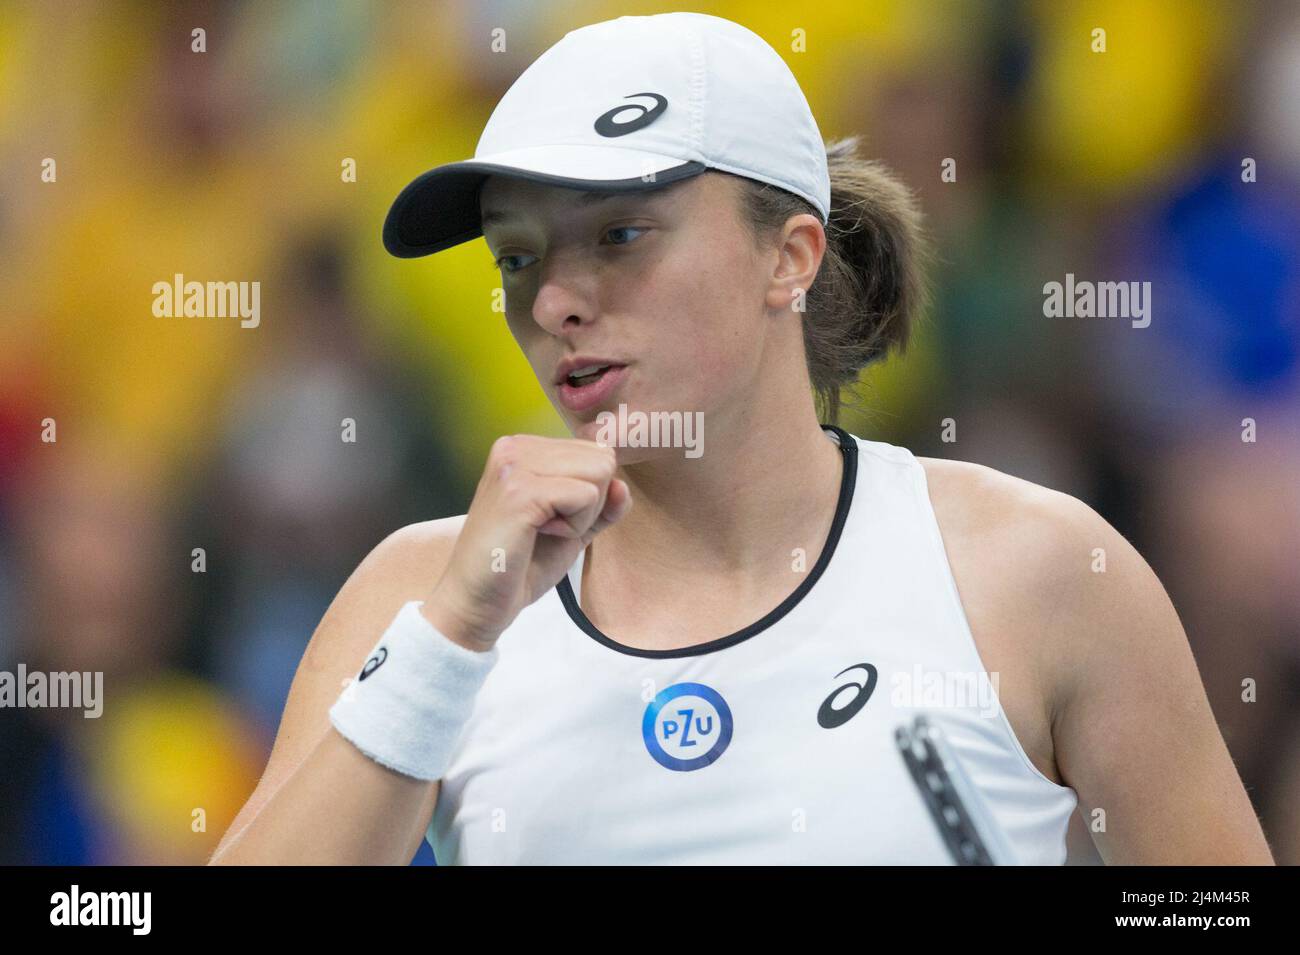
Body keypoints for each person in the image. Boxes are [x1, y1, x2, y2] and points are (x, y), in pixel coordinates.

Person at [210, 12, 1274, 865]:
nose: (555, 304)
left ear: (791, 256)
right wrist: (447, 639)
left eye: (619, 235)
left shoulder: (1039, 570)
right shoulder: (424, 595)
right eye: (518, 258)